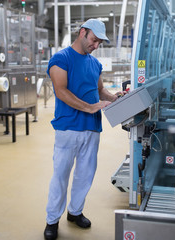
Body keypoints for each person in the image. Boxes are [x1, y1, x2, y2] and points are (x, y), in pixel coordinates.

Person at [43, 19, 126, 240]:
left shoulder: (95, 64)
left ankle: (75, 212)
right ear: (82, 33)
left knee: (85, 175)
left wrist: (116, 97)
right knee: (60, 175)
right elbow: (60, 91)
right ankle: (52, 220)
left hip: (92, 128)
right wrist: (89, 107)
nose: (96, 45)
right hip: (68, 127)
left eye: (99, 42)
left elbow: (100, 92)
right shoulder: (61, 59)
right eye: (94, 40)